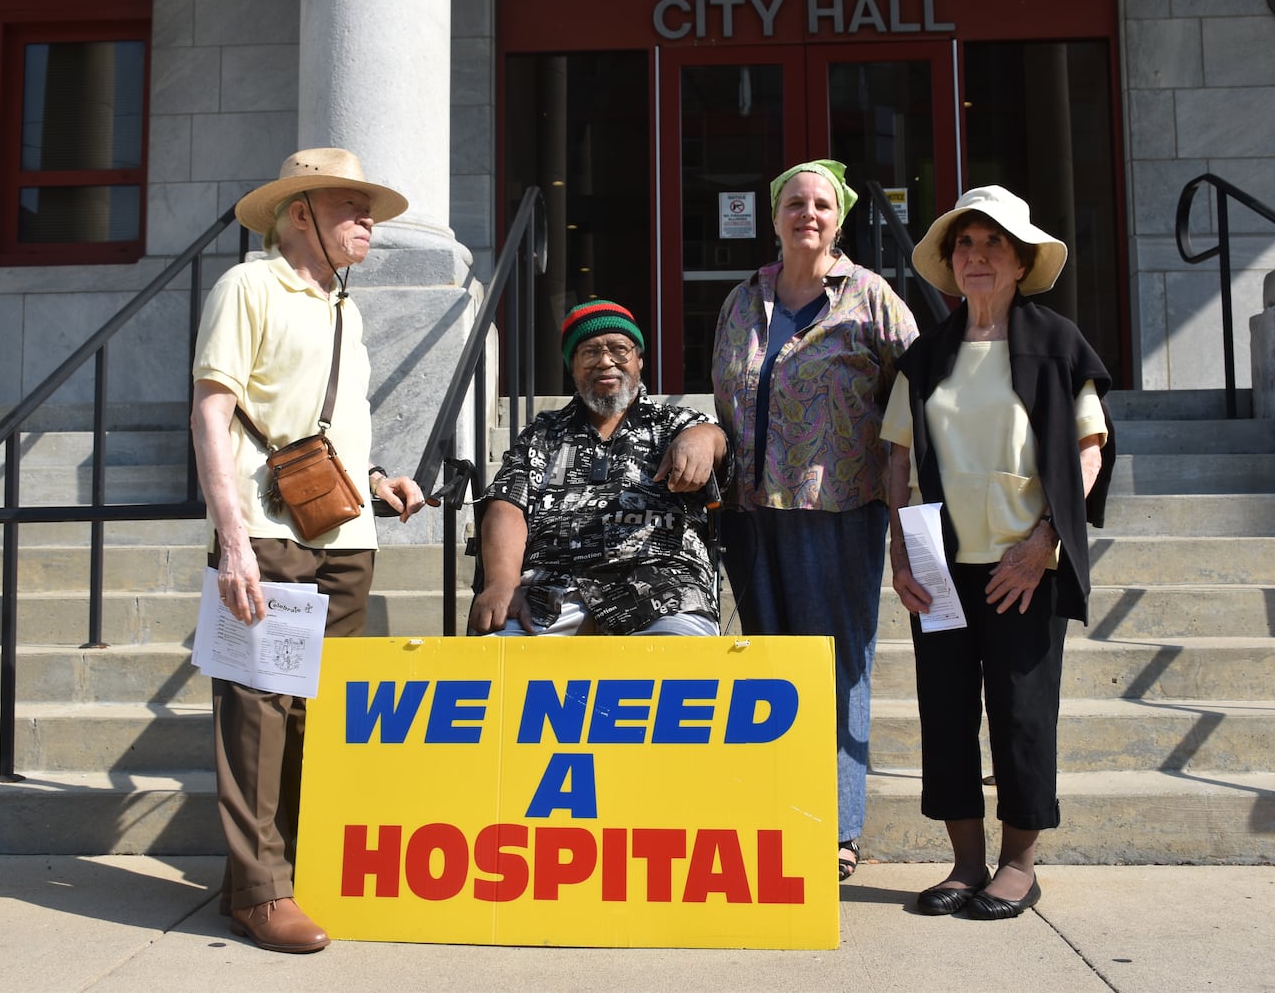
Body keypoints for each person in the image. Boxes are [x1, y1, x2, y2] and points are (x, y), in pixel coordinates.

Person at [191, 147, 426, 952]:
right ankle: (262, 892)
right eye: (350, 207)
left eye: (369, 208)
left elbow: (321, 421)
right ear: (300, 215)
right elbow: (213, 412)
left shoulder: (343, 304)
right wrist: (233, 543)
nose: (367, 222)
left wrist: (375, 478)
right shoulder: (248, 286)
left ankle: (275, 872)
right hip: (268, 529)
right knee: (259, 709)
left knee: (317, 714)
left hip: (345, 530)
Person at [883, 185, 1114, 920]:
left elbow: (1088, 451)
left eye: (992, 245)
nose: (976, 257)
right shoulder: (928, 356)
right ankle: (965, 862)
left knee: (1021, 713)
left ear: (1020, 263)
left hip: (1026, 564)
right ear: (951, 265)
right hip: (942, 566)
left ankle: (1019, 863)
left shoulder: (1056, 343)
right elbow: (897, 460)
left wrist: (1045, 538)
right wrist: (899, 552)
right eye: (964, 246)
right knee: (947, 713)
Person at [710, 159, 919, 882]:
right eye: (794, 202)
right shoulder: (743, 300)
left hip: (839, 507)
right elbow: (724, 396)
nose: (808, 213)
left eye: (822, 204)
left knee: (837, 665)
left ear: (841, 217)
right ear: (773, 217)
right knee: (769, 667)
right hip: (751, 509)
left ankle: (837, 826)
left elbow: (918, 396)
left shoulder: (873, 297)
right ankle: (778, 810)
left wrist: (904, 489)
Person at [469, 299, 727, 637]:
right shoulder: (542, 434)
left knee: (680, 667)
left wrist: (704, 438)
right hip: (548, 592)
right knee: (494, 666)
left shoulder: (679, 424)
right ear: (573, 367)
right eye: (589, 352)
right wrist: (501, 582)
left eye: (619, 349)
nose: (606, 361)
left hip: (662, 588)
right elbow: (506, 504)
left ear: (639, 361)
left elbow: (720, 447)